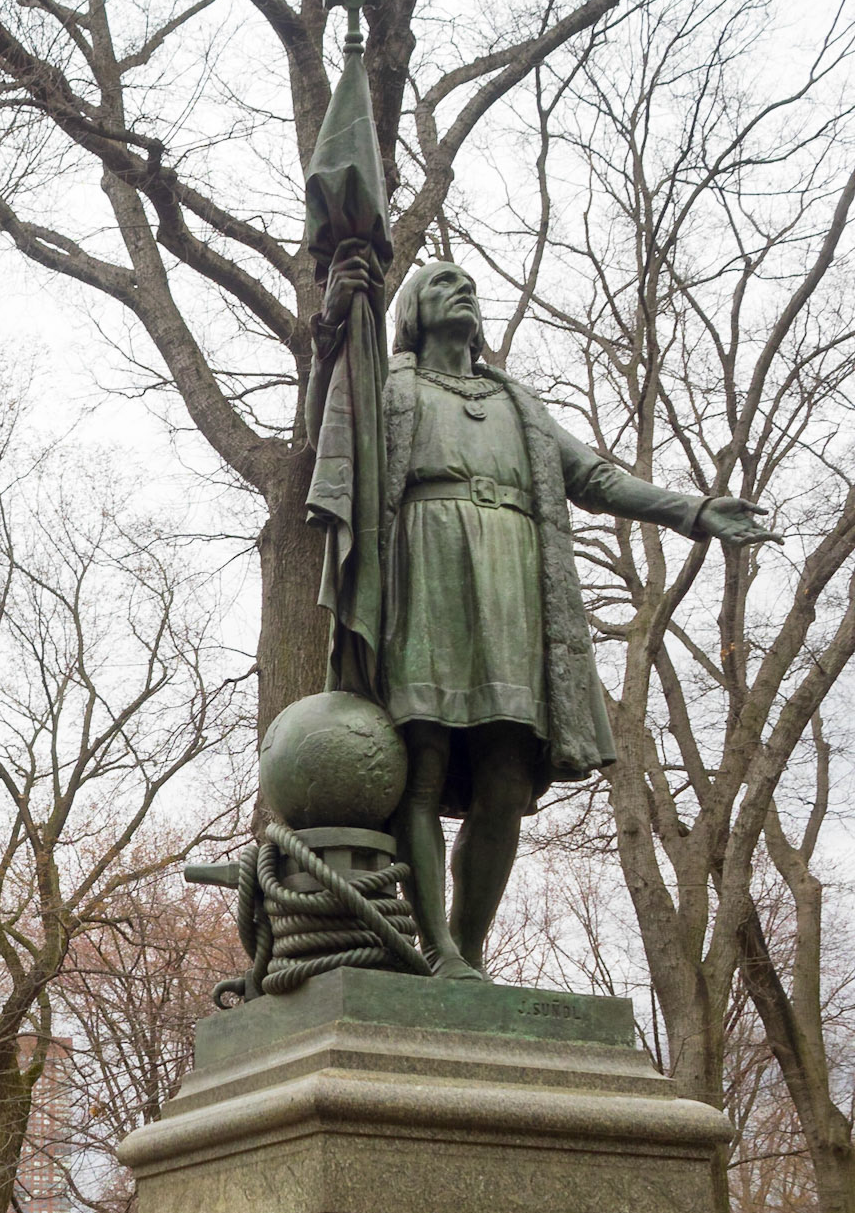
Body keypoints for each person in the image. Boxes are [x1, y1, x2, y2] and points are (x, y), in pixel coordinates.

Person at [310, 255, 776, 978]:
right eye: (440, 283)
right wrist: (334, 328)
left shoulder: (515, 403)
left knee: (505, 775)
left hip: (513, 583)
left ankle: (469, 950)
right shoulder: (389, 384)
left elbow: (592, 476)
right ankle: (438, 949)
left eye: (468, 282)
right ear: (410, 313)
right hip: (426, 568)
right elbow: (332, 431)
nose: (460, 288)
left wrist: (692, 509)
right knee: (421, 761)